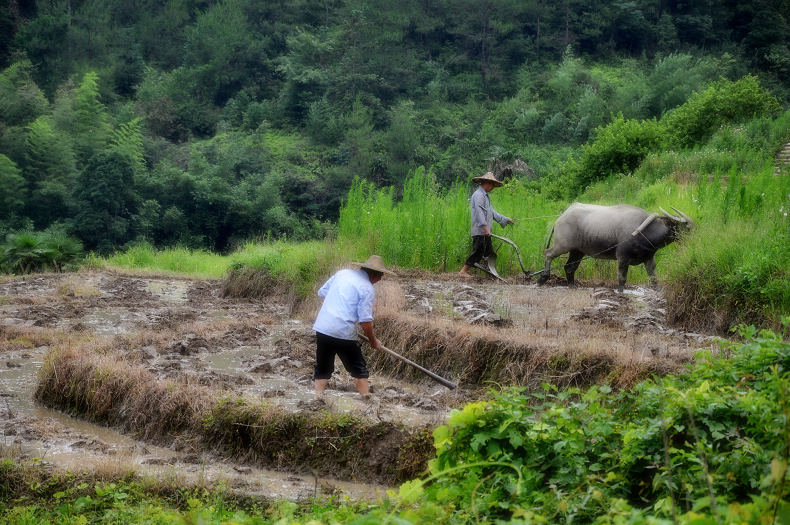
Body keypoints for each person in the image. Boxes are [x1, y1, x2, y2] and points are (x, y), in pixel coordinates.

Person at [312, 255, 394, 398]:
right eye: (380, 278)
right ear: (375, 275)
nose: (378, 281)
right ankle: (367, 402)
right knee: (359, 370)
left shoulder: (342, 273)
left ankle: (317, 398)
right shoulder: (367, 288)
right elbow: (365, 321)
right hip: (344, 332)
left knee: (323, 368)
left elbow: (322, 293)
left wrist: (333, 311)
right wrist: (374, 341)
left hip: (323, 327)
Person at [458, 171, 513, 278]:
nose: (492, 188)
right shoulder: (478, 196)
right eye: (492, 185)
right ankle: (463, 271)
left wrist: (506, 219)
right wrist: (485, 228)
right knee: (478, 252)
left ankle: (490, 274)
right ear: (487, 183)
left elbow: (492, 213)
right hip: (480, 231)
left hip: (485, 232)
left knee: (489, 253)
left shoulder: (485, 196)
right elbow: (479, 213)